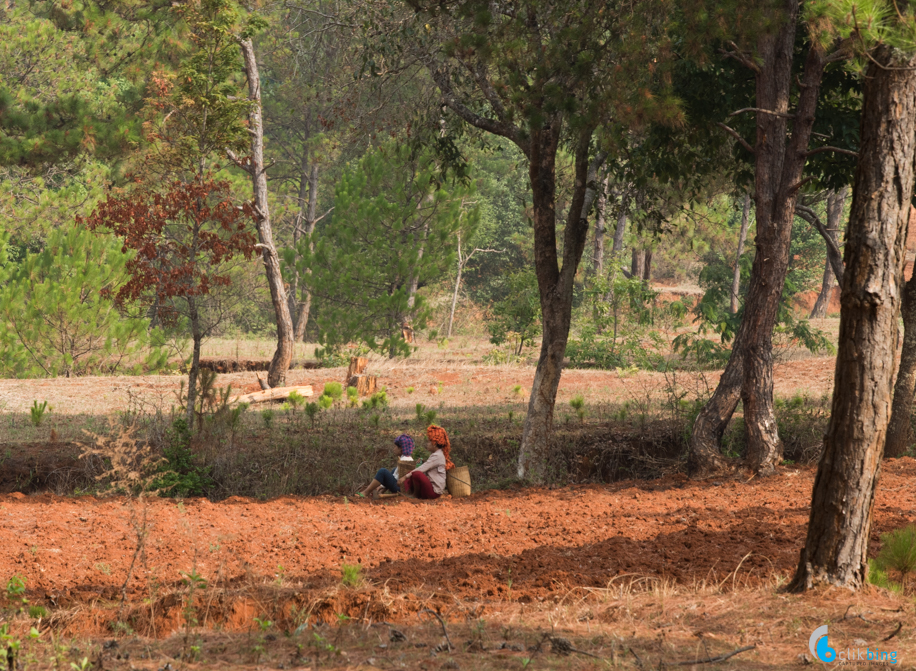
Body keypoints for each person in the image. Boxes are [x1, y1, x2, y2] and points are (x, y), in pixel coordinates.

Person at [400, 424, 454, 499]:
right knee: (412, 473)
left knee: (416, 474)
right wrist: (424, 462)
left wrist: (404, 477)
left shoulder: (437, 456)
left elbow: (422, 469)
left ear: (434, 443)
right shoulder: (437, 454)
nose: (427, 444)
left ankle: (415, 495)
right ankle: (413, 493)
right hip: (432, 488)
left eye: (429, 442)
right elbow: (429, 466)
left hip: (434, 491)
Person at [358, 434, 414, 498]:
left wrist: (382, 486)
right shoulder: (408, 458)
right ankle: (380, 490)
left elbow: (396, 478)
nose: (394, 449)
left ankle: (366, 492)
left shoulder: (404, 460)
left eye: (395, 447)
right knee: (394, 470)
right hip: (403, 488)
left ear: (401, 448)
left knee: (383, 471)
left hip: (400, 489)